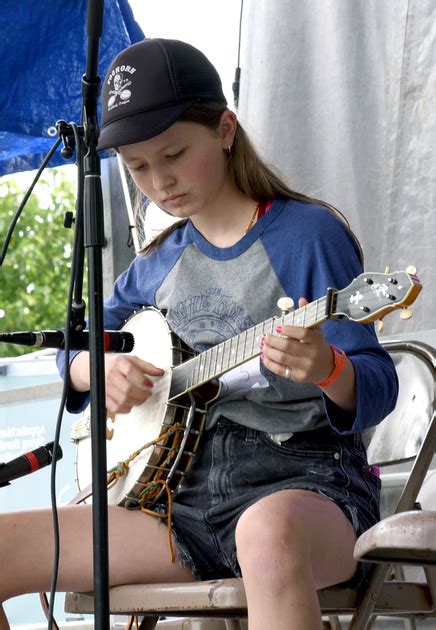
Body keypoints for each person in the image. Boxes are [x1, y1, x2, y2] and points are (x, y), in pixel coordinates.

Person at [0, 38, 398, 630]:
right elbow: (79, 350)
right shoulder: (155, 266)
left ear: (226, 130)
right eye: (137, 168)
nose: (160, 181)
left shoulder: (307, 236)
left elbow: (378, 384)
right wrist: (96, 369)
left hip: (306, 487)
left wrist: (329, 368)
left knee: (266, 534)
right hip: (178, 503)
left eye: (175, 154)